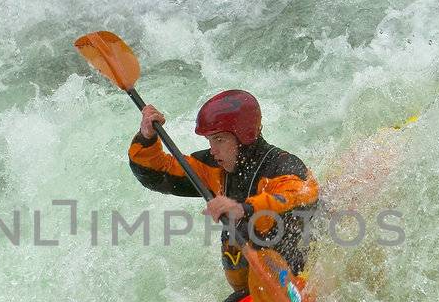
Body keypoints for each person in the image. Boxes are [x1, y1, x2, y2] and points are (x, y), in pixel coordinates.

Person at [128, 90, 319, 291]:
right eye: (210, 140)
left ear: (245, 135)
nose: (212, 150)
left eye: (219, 140)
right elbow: (156, 173)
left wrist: (245, 208)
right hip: (254, 289)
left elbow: (301, 194)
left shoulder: (281, 166)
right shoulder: (214, 167)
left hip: (299, 275)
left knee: (251, 228)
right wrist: (146, 137)